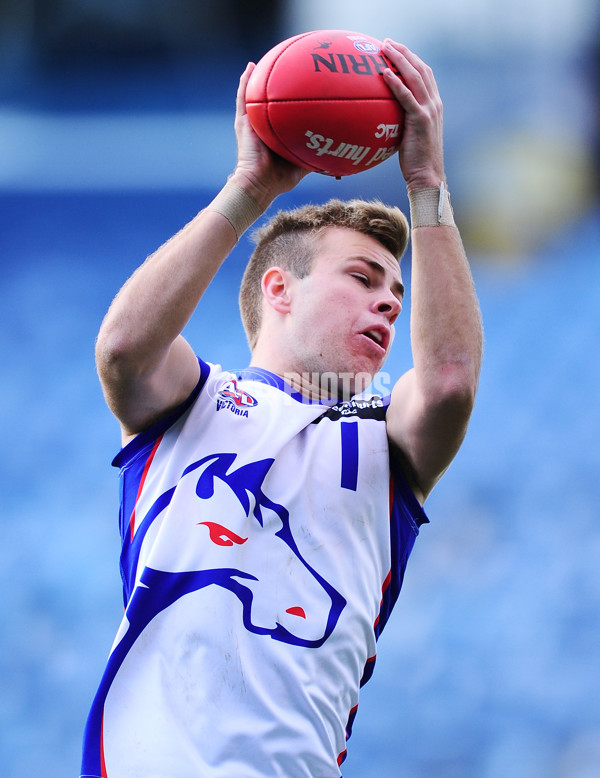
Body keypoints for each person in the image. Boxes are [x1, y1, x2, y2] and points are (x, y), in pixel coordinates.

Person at [81, 39, 483, 778]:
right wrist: (249, 191)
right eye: (364, 278)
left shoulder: (385, 441)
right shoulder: (190, 401)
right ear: (278, 290)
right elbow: (123, 349)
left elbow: (451, 381)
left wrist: (426, 186)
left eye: (398, 293)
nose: (390, 303)